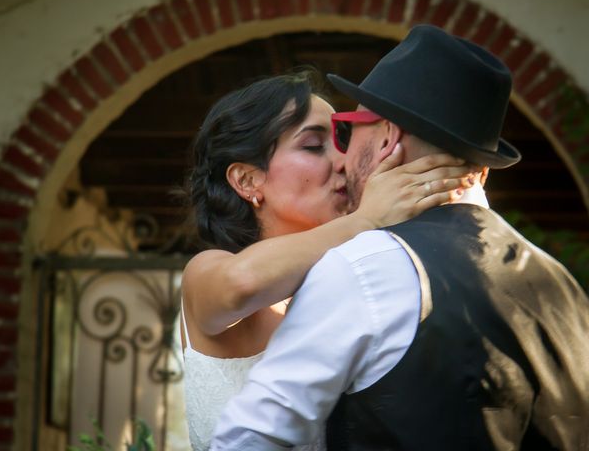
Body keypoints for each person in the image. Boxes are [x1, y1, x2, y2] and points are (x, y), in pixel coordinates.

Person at [210, 25, 589, 450]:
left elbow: (249, 440)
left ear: (388, 137)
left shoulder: (365, 266)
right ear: (480, 170)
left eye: (346, 131)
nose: (341, 159)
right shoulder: (563, 285)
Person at [181, 69, 474, 451]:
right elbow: (241, 285)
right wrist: (366, 219)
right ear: (247, 180)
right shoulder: (206, 271)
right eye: (314, 146)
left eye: (342, 141)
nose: (342, 161)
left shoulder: (352, 278)